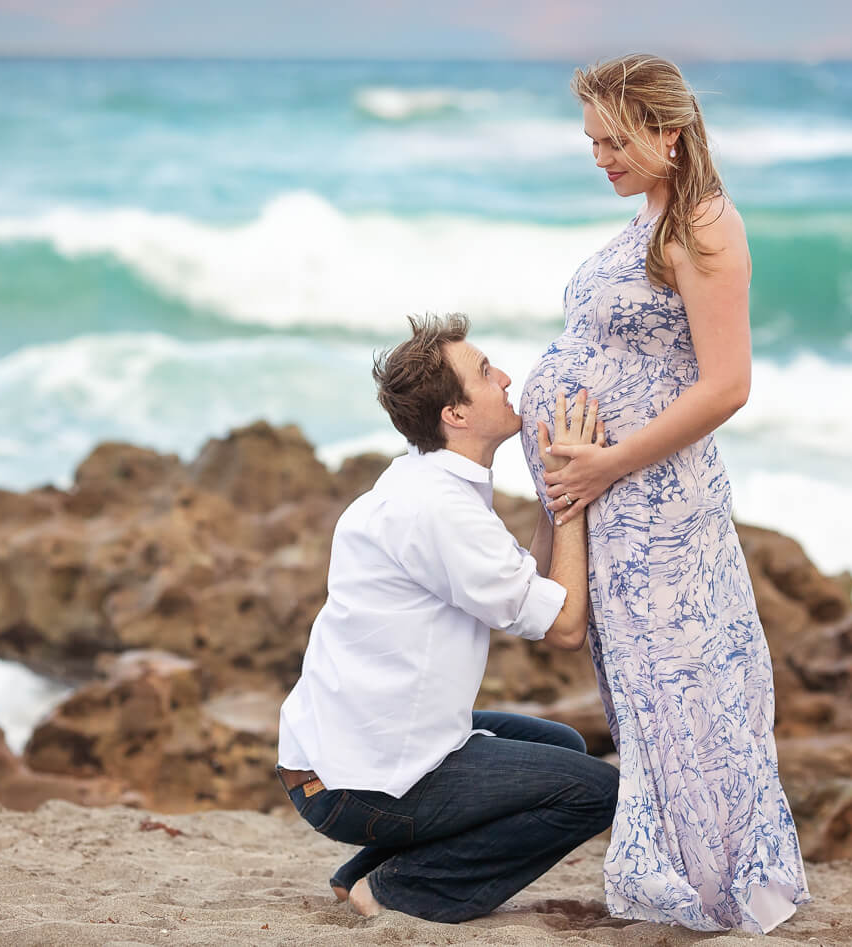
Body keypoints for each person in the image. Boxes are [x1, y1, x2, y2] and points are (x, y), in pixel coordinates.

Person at [517, 55, 811, 933]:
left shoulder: (705, 225)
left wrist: (605, 464)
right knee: (647, 696)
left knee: (686, 690)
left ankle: (718, 888)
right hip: (621, 509)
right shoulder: (651, 218)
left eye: (614, 141)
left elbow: (727, 386)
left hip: (658, 510)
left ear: (668, 134)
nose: (598, 157)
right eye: (592, 141)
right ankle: (690, 877)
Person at [277, 313, 619, 924]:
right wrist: (573, 494)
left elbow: (529, 592)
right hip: (354, 784)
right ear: (454, 415)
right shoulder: (439, 510)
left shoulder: (427, 480)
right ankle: (397, 892)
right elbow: (566, 627)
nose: (507, 378)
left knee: (560, 744)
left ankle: (361, 874)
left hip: (338, 748)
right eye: (487, 373)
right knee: (593, 791)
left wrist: (553, 488)